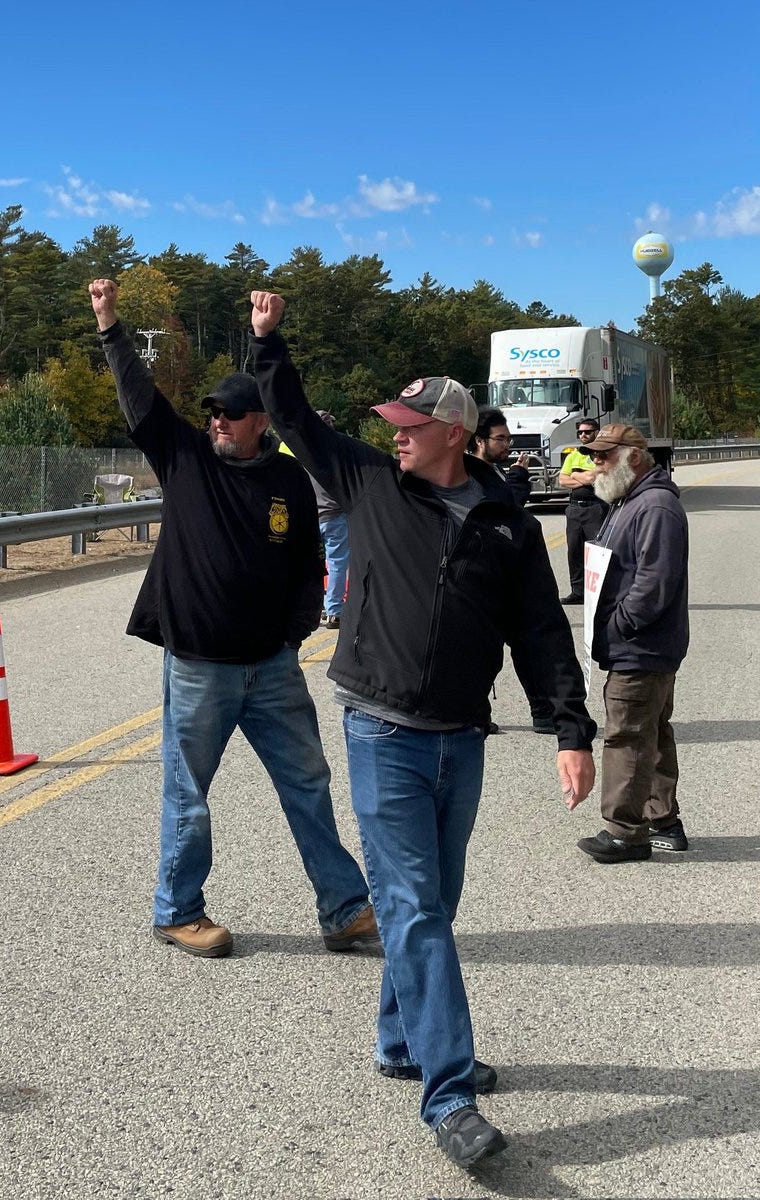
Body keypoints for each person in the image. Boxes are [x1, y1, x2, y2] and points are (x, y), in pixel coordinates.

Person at [249, 289, 597, 1169]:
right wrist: (270, 343)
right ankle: (446, 1096)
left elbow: (541, 635)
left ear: (453, 431)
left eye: (411, 423)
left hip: (460, 738)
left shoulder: (508, 525)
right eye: (393, 423)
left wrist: (570, 730)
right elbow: (294, 418)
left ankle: (402, 1044)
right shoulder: (369, 481)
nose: (396, 432)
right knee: (411, 907)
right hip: (382, 731)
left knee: (430, 907)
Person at [87, 278, 379, 960]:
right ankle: (177, 910)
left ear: (259, 423)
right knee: (189, 793)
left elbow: (311, 567)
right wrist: (110, 326)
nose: (216, 419)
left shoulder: (285, 479)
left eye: (229, 413)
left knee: (308, 785)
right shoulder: (185, 456)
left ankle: (344, 911)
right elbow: (139, 398)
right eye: (212, 411)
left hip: (271, 667)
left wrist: (293, 631)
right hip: (198, 667)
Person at [576, 423, 690, 863]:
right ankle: (663, 821)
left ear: (635, 456)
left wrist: (618, 626)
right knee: (653, 732)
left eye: (603, 456)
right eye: (593, 456)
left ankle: (626, 832)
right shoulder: (631, 501)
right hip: (643, 645)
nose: (596, 464)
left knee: (626, 735)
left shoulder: (655, 506)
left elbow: (654, 583)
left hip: (641, 646)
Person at [469, 408, 556, 734]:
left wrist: (517, 477)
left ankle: (542, 711)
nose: (508, 445)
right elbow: (507, 510)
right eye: (500, 438)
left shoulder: (496, 471)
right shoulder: (472, 475)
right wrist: (520, 480)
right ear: (480, 440)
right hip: (485, 579)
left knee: (526, 644)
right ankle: (476, 713)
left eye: (509, 438)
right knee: (483, 650)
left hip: (511, 578)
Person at [557, 419, 608, 604]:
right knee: (574, 552)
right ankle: (578, 592)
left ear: (597, 432)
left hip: (595, 507)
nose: (583, 436)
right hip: (574, 509)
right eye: (580, 433)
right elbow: (562, 480)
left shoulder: (602, 454)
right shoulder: (573, 456)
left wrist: (575, 475)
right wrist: (584, 478)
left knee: (596, 552)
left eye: (587, 432)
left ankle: (600, 593)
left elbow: (594, 476)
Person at [313, 410, 348, 628]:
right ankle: (334, 611)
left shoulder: (303, 451)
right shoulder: (337, 452)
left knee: (314, 565)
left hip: (311, 515)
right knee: (337, 563)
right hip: (334, 513)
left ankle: (318, 606)